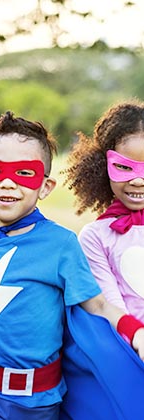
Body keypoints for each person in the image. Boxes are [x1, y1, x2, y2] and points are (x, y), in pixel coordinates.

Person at [0, 111, 144, 420]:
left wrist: (136, 332)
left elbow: (99, 305)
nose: (7, 184)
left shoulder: (62, 245)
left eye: (24, 173)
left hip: (40, 398)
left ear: (46, 186)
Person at [63, 99, 144, 324]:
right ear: (101, 165)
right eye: (124, 167)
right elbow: (109, 308)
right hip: (128, 353)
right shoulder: (95, 237)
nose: (137, 180)